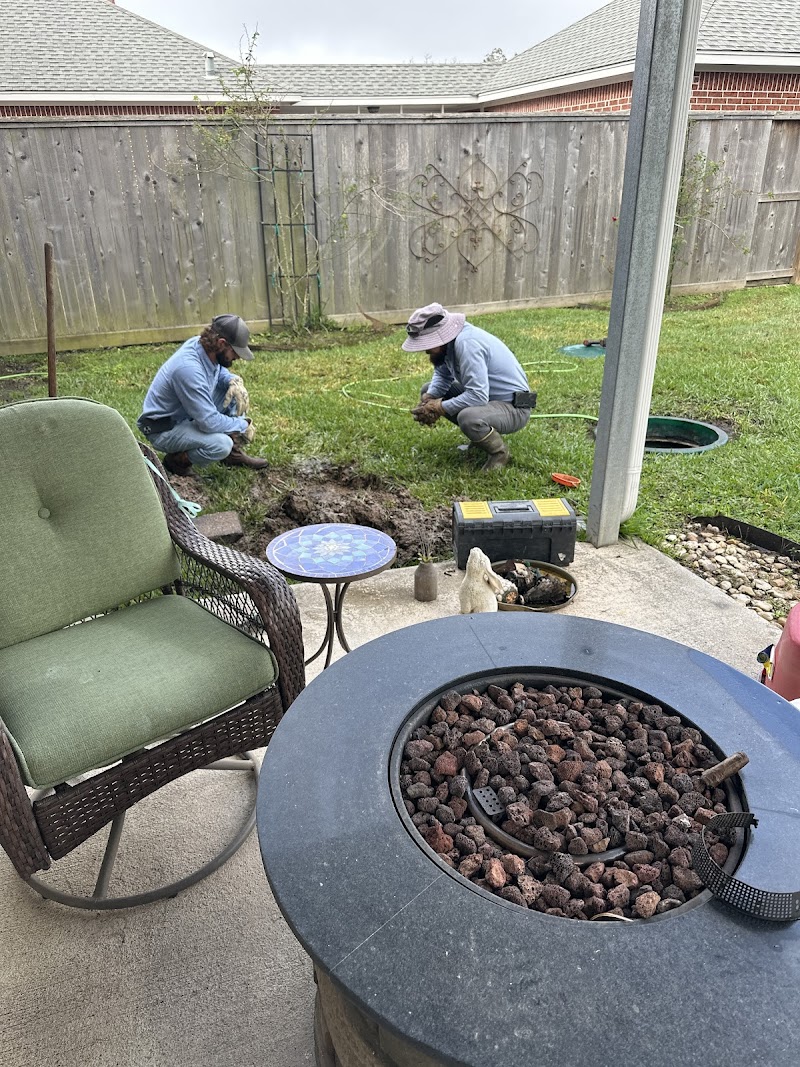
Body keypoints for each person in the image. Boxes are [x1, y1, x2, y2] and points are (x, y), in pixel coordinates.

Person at [402, 302, 535, 471]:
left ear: (439, 335)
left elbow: (477, 396)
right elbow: (443, 374)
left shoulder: (467, 344)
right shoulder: (448, 344)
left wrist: (439, 407)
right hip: (489, 400)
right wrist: (430, 398)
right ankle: (480, 439)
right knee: (428, 390)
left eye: (426, 344)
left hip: (514, 407)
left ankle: (499, 454)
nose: (425, 350)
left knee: (468, 417)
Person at [137, 313, 268, 475]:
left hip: (186, 414)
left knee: (233, 393)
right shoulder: (188, 369)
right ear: (221, 343)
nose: (238, 357)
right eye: (235, 352)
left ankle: (232, 455)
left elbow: (217, 371)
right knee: (221, 445)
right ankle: (177, 461)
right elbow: (209, 423)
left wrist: (233, 380)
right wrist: (242, 425)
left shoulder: (204, 347)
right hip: (165, 428)